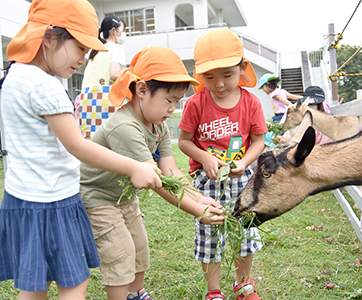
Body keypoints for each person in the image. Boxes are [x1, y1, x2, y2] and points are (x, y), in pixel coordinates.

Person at [0, 0, 163, 299]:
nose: (84, 58)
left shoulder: (13, 77)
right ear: (49, 37)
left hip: (20, 201)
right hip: (54, 201)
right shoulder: (46, 86)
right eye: (80, 48)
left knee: (35, 284)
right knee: (74, 283)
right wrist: (134, 166)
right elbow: (77, 145)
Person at [79, 46, 225, 300]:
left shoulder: (159, 125)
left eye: (177, 102)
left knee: (139, 246)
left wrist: (199, 197)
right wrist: (196, 211)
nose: (172, 108)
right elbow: (158, 181)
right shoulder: (125, 126)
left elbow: (171, 170)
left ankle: (135, 294)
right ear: (142, 90)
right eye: (169, 101)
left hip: (124, 197)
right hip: (99, 197)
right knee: (120, 253)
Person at [178, 29, 267, 300]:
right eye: (209, 77)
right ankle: (213, 291)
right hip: (208, 181)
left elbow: (259, 141)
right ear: (199, 75)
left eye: (227, 75)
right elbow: (184, 141)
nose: (218, 84)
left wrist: (245, 163)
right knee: (210, 235)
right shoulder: (195, 104)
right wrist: (204, 157)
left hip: (242, 179)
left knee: (245, 233)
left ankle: (243, 285)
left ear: (242, 68)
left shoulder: (251, 102)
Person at [76, 15, 127, 139]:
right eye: (123, 30)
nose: (124, 34)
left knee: (91, 142)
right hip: (106, 100)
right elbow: (114, 74)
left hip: (86, 101)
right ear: (114, 31)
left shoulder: (95, 50)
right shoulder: (117, 48)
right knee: (111, 142)